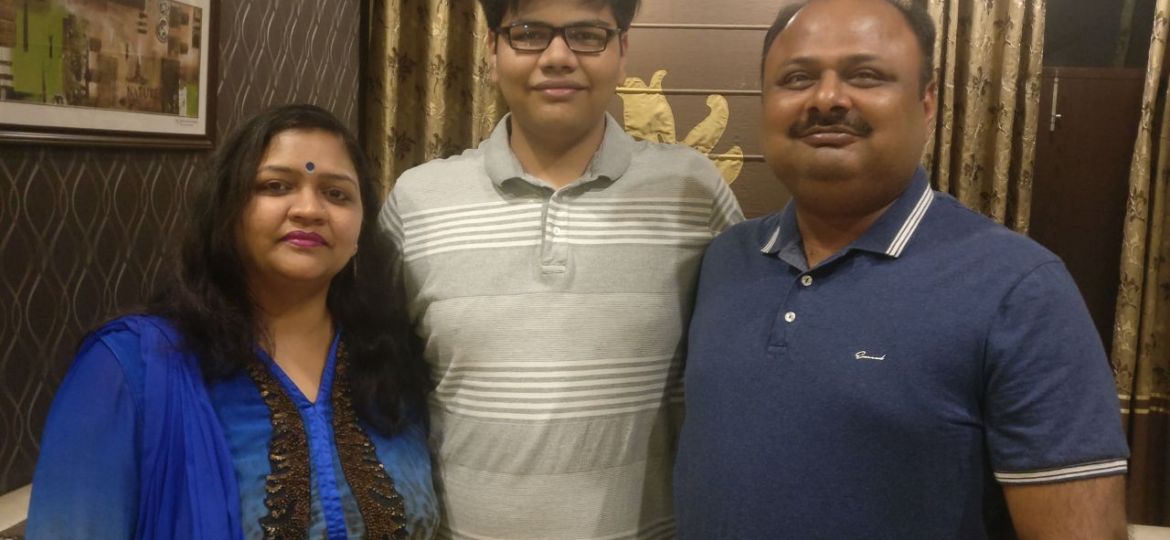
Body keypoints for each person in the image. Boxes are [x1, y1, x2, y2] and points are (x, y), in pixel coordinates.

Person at [673, 0, 1130, 538]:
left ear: (926, 102)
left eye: (865, 75)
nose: (826, 98)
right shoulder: (725, 260)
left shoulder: (1020, 289)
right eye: (797, 78)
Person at [380, 0, 743, 537]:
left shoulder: (692, 191)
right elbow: (373, 375)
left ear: (622, 50)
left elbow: (744, 370)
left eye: (587, 34)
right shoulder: (417, 200)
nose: (557, 57)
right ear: (492, 49)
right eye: (529, 33)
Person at [26, 104, 437, 539]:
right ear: (228, 210)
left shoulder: (391, 362)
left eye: (336, 194)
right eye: (276, 186)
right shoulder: (130, 367)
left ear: (360, 230)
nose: (309, 209)